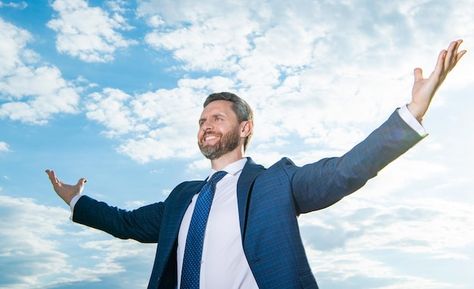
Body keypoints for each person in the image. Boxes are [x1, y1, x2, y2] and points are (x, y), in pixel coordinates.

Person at [46, 40, 466, 289]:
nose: (205, 126)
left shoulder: (274, 183)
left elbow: (345, 170)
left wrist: (412, 112)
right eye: (201, 120)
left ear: (245, 128)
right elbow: (127, 223)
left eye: (217, 118)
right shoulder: (183, 198)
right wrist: (76, 201)